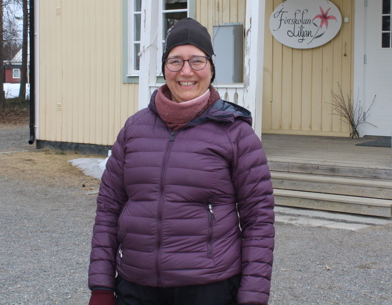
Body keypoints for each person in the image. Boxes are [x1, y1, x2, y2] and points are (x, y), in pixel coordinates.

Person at [88, 18, 275, 305]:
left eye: (197, 61)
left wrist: (252, 297)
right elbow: (108, 209)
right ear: (164, 68)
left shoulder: (237, 134)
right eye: (175, 61)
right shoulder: (134, 129)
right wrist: (101, 285)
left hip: (209, 287)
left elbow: (258, 221)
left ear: (211, 69)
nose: (186, 71)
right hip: (136, 286)